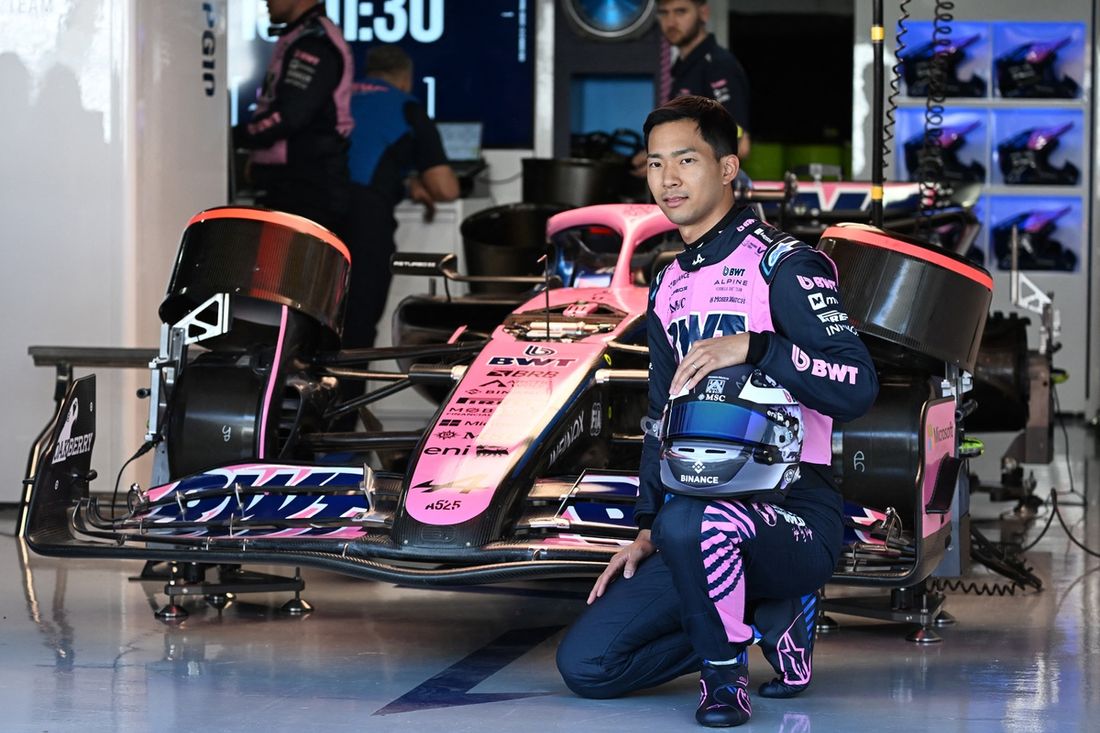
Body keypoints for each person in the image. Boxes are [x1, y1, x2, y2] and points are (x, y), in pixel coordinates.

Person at [556, 96, 878, 727]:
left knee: (691, 523)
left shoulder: (784, 264)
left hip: (793, 510)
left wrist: (757, 348)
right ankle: (767, 614)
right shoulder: (669, 282)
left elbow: (857, 385)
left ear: (728, 168)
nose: (668, 179)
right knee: (589, 665)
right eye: (655, 164)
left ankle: (724, 680)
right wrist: (645, 526)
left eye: (686, 160)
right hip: (692, 511)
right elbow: (660, 414)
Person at [341, 44, 459, 349]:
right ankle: (349, 382)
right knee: (358, 322)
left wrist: (405, 183)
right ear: (406, 78)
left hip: (314, 217)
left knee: (317, 318)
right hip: (365, 222)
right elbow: (445, 189)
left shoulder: (338, 98)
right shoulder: (406, 107)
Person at [233, 0, 354, 232]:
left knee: (287, 257)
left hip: (306, 191)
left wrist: (234, 137)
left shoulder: (313, 43)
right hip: (297, 187)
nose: (266, 1)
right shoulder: (303, 35)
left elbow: (290, 115)